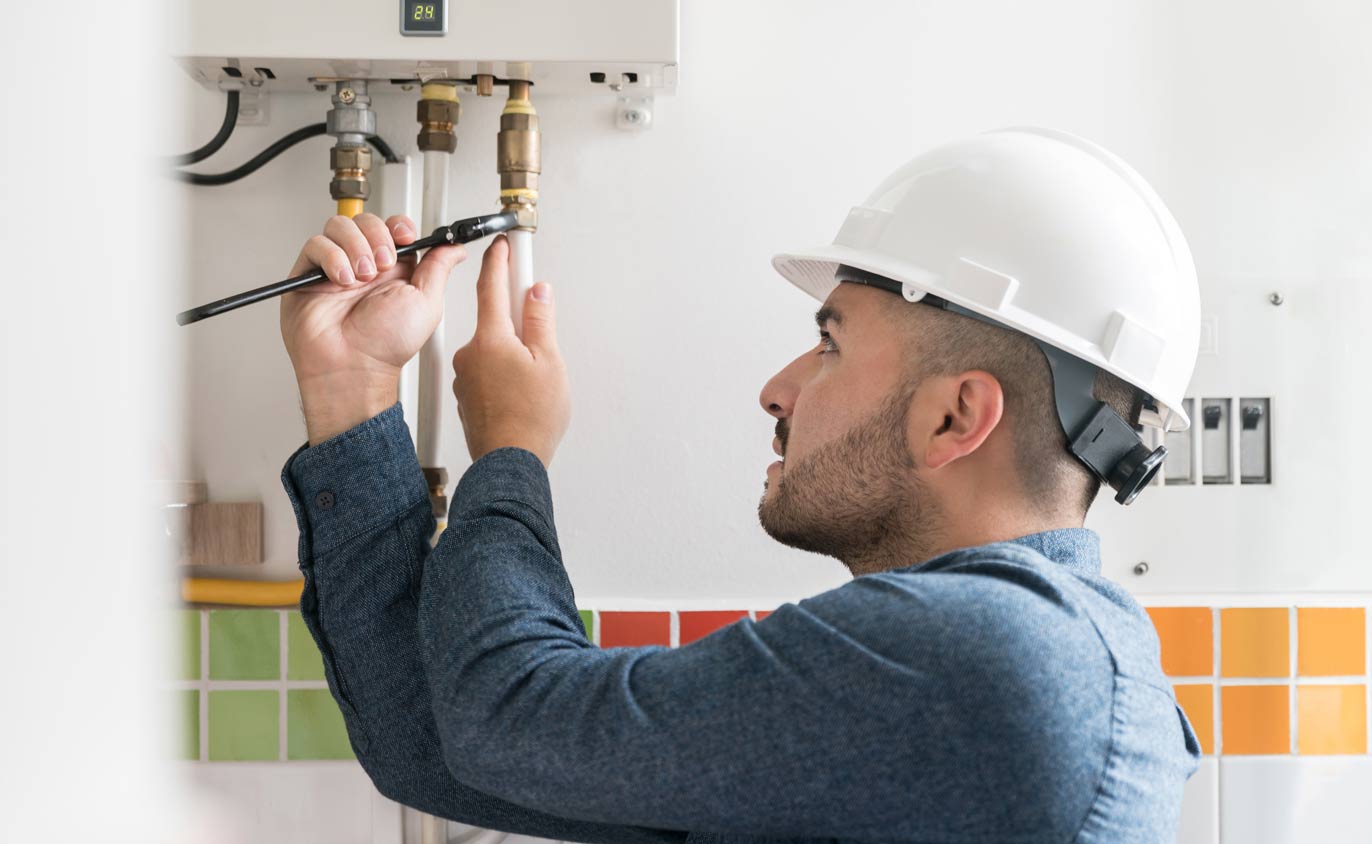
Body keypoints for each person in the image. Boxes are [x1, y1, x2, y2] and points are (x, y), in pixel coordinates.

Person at [278, 128, 1203, 843]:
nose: (779, 388)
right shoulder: (1004, 669)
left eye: (831, 341)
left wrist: (511, 450)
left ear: (956, 417)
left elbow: (507, 718)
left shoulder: (991, 654)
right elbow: (445, 750)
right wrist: (351, 388)